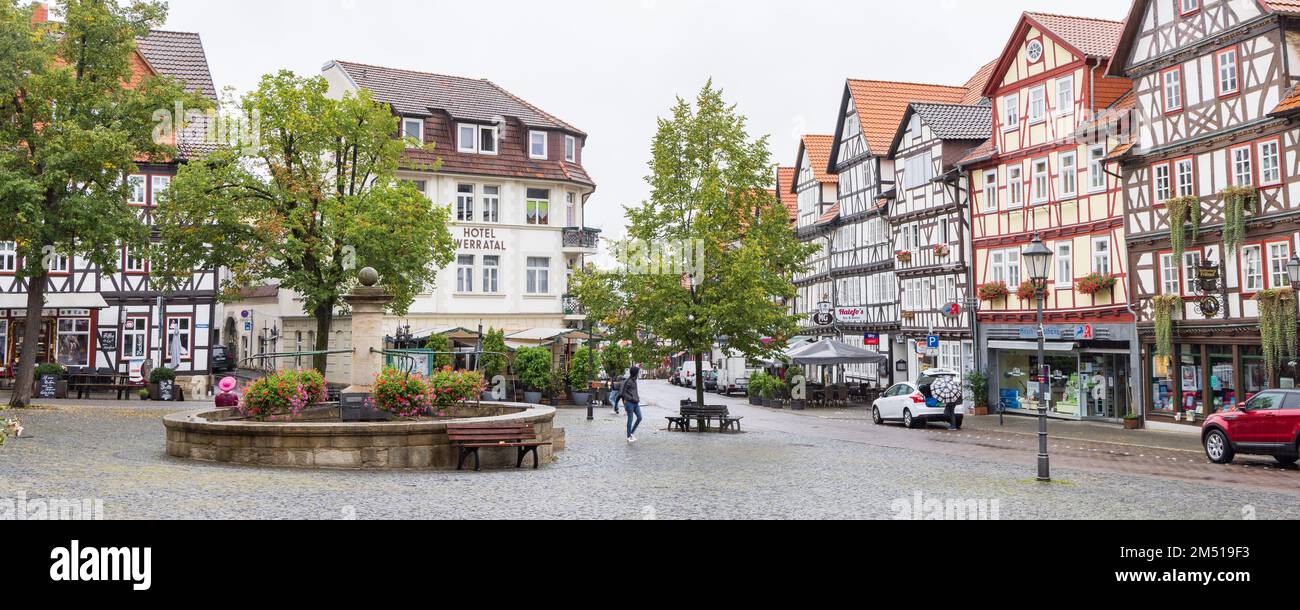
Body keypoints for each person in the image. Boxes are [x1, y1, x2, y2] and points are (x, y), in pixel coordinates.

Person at [622, 365, 642, 442]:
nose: (638, 374)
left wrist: (637, 398)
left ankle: (631, 433)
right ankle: (628, 436)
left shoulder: (634, 380)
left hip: (636, 403)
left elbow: (634, 391)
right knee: (630, 419)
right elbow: (624, 393)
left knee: (639, 417)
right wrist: (631, 398)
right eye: (638, 372)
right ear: (635, 373)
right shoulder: (628, 381)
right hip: (629, 403)